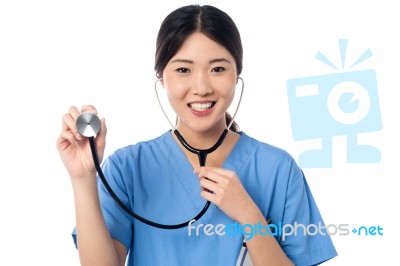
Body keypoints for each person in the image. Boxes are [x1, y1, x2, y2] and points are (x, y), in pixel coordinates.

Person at [56, 4, 337, 266]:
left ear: (237, 72)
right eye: (183, 70)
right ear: (161, 76)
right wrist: (82, 179)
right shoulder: (128, 167)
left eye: (217, 69)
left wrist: (249, 216)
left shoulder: (279, 170)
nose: (201, 87)